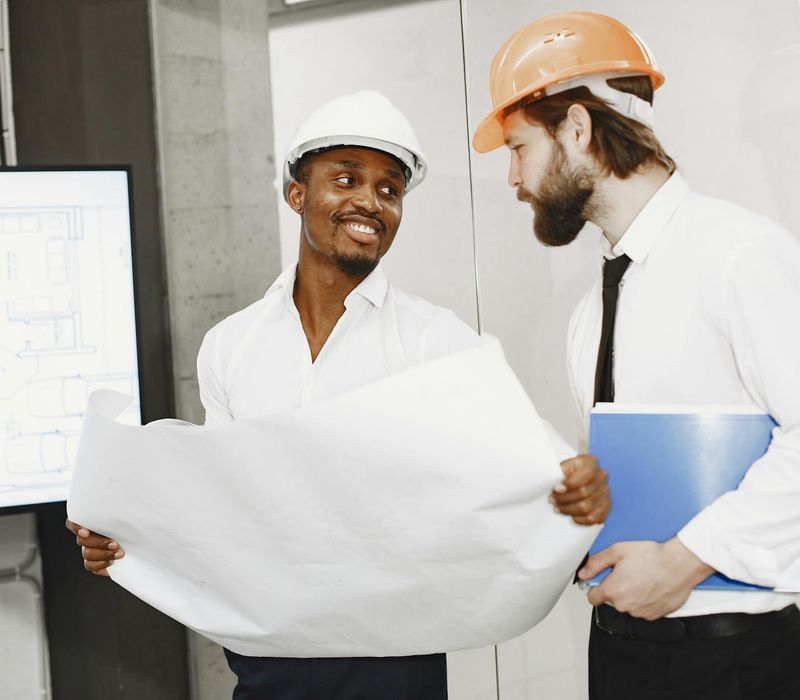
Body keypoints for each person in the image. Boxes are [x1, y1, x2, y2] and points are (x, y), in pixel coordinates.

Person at [67, 90, 610, 699]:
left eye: (389, 190)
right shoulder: (231, 345)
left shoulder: (438, 342)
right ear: (297, 194)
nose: (370, 202)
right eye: (346, 179)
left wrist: (573, 480)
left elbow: (532, 463)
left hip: (396, 666)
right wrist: (127, 537)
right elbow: (220, 504)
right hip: (267, 667)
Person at [473, 10, 800, 700]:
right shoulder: (591, 311)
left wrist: (685, 562)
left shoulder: (742, 255)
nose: (512, 178)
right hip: (619, 652)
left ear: (579, 130)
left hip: (736, 659)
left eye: (519, 147)